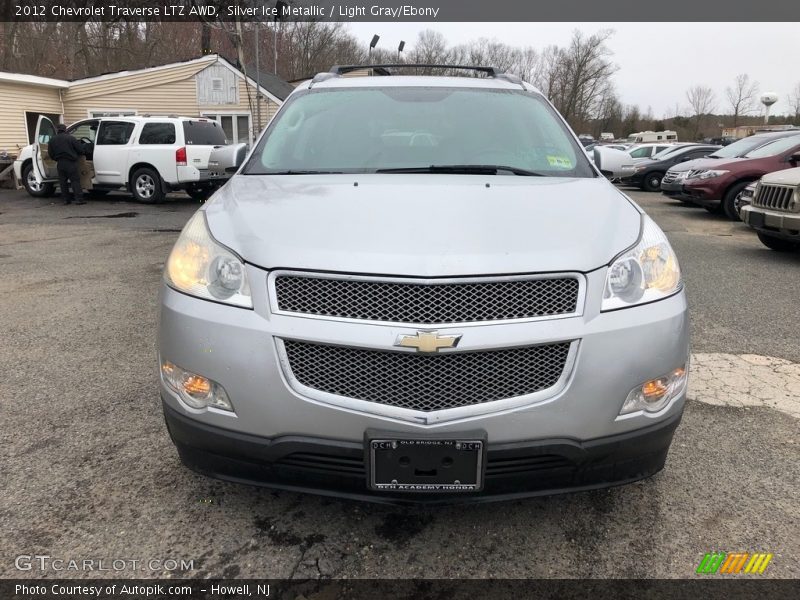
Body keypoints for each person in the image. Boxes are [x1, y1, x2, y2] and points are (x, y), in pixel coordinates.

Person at [47, 124, 86, 205]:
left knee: (63, 182)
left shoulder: (52, 140)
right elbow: (80, 150)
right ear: (65, 129)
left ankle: (66, 200)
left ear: (57, 130)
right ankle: (79, 199)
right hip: (71, 163)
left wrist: (57, 159)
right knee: (75, 181)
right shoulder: (70, 138)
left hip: (60, 163)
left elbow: (50, 153)